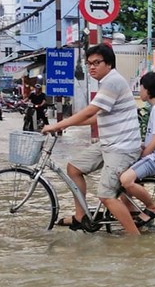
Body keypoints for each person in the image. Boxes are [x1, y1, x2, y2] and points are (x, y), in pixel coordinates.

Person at [41, 43, 142, 234]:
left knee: (105, 195)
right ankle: (81, 216)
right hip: (109, 144)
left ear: (109, 63)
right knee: (74, 168)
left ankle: (135, 241)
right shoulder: (107, 82)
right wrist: (70, 124)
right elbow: (97, 117)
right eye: (89, 64)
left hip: (121, 148)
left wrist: (59, 125)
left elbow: (90, 110)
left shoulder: (112, 81)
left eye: (97, 63)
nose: (92, 67)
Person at [119, 71, 155, 227]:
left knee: (126, 180)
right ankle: (133, 212)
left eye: (141, 87)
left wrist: (142, 155)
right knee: (123, 180)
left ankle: (152, 207)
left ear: (148, 90)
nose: (139, 91)